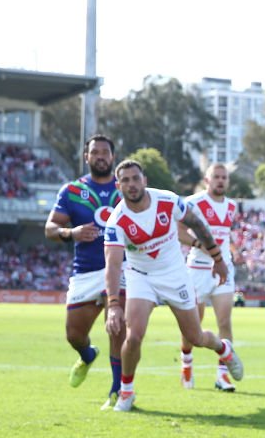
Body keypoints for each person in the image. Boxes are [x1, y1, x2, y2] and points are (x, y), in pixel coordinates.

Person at [102, 159, 243, 412]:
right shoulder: (116, 221)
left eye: (136, 179)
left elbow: (198, 225)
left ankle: (224, 348)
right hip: (141, 277)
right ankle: (126, 393)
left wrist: (219, 259)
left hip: (175, 275)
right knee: (133, 336)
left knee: (195, 337)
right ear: (118, 185)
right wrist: (113, 305)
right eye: (125, 180)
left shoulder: (167, 200)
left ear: (144, 180)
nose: (132, 185)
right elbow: (112, 264)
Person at [44, 134, 126, 409]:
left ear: (113, 158)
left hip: (122, 268)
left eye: (105, 152)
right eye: (95, 152)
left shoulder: (126, 188)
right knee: (74, 335)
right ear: (86, 157)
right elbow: (50, 228)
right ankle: (88, 355)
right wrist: (72, 232)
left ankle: (118, 391)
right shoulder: (71, 191)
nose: (101, 156)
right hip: (86, 271)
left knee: (118, 329)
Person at [178, 162, 239, 392]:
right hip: (197, 270)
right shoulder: (194, 203)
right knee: (193, 325)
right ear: (207, 180)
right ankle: (186, 363)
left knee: (224, 322)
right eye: (216, 177)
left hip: (223, 270)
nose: (221, 180)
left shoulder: (232, 206)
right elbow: (178, 230)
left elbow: (224, 235)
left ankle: (222, 376)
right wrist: (198, 244)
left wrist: (232, 251)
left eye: (224, 177)